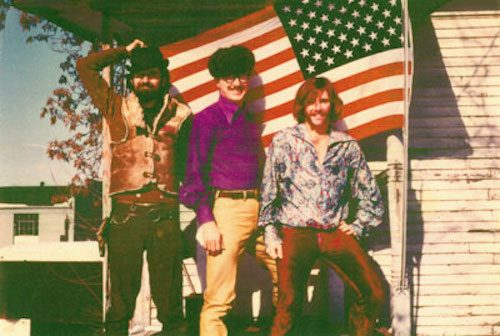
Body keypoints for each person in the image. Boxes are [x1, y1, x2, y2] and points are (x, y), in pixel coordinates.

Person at [77, 39, 192, 336]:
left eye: (152, 74)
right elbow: (85, 67)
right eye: (139, 75)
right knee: (120, 302)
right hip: (125, 217)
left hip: (165, 216)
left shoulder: (182, 114)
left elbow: (190, 166)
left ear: (163, 78)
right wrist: (124, 52)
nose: (145, 80)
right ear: (132, 78)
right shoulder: (116, 107)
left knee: (170, 303)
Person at [258, 77, 386, 336]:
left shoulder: (347, 145)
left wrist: (359, 225)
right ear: (303, 107)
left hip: (332, 231)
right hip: (295, 230)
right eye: (311, 102)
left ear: (332, 105)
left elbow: (369, 192)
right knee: (289, 303)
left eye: (323, 101)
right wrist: (271, 232)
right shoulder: (285, 140)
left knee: (373, 291)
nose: (317, 108)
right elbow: (270, 187)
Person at [179, 45, 278, 336]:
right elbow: (193, 176)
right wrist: (206, 221)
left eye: (242, 77)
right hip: (226, 212)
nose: (237, 83)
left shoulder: (250, 122)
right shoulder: (205, 120)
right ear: (218, 82)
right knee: (219, 301)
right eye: (229, 78)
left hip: (260, 210)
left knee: (286, 274)